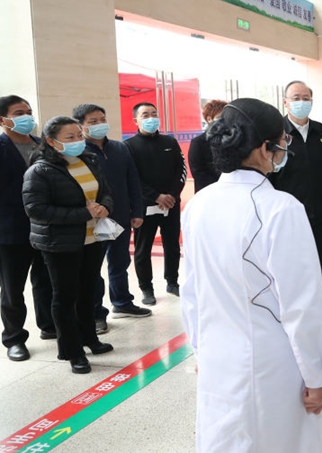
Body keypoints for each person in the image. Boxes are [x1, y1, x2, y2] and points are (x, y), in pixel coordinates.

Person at [181, 98, 322, 453]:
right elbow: (301, 305)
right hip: (270, 360)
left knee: (226, 449)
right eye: (283, 140)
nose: (285, 148)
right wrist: (316, 375)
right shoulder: (280, 208)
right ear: (262, 149)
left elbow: (191, 292)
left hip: (217, 356)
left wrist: (200, 350)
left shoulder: (199, 204)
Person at [22, 117, 115, 374]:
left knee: (88, 292)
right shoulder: (40, 171)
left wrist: (105, 207)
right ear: (51, 141)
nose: (77, 141)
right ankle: (73, 351)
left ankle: (90, 338)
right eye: (70, 137)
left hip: (92, 239)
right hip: (60, 243)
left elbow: (105, 191)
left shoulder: (88, 160)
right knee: (65, 297)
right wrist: (84, 213)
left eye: (79, 135)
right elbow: (36, 209)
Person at [269, 81, 322, 339]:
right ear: (285, 102)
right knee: (287, 269)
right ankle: (285, 319)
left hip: (318, 213)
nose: (301, 102)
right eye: (295, 97)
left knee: (318, 268)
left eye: (306, 97)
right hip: (285, 217)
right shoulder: (275, 134)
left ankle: (318, 318)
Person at [73, 103, 152, 335]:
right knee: (93, 268)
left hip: (120, 217)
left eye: (102, 119)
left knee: (119, 262)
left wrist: (137, 211)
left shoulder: (119, 148)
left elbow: (132, 180)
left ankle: (122, 302)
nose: (99, 124)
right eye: (93, 122)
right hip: (94, 219)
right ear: (81, 125)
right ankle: (96, 313)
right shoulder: (78, 151)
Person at [0, 96, 53, 361]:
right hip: (11, 230)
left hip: (45, 226)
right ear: (3, 119)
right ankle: (14, 339)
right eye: (19, 113)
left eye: (29, 112)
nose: (27, 117)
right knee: (13, 288)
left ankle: (49, 325)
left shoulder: (42, 145)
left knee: (46, 281)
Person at [125, 102, 186, 305]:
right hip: (144, 206)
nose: (151, 118)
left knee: (172, 245)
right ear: (136, 120)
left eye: (154, 114)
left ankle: (172, 282)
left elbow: (181, 170)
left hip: (171, 204)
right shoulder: (129, 146)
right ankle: (146, 288)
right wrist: (156, 196)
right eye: (145, 115)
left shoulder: (170, 142)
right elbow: (132, 177)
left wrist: (171, 195)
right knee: (143, 249)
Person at [188, 99, 227, 193]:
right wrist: (220, 187)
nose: (224, 120)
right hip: (208, 192)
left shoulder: (231, 140)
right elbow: (198, 172)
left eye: (227, 117)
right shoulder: (198, 143)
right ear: (209, 119)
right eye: (220, 117)